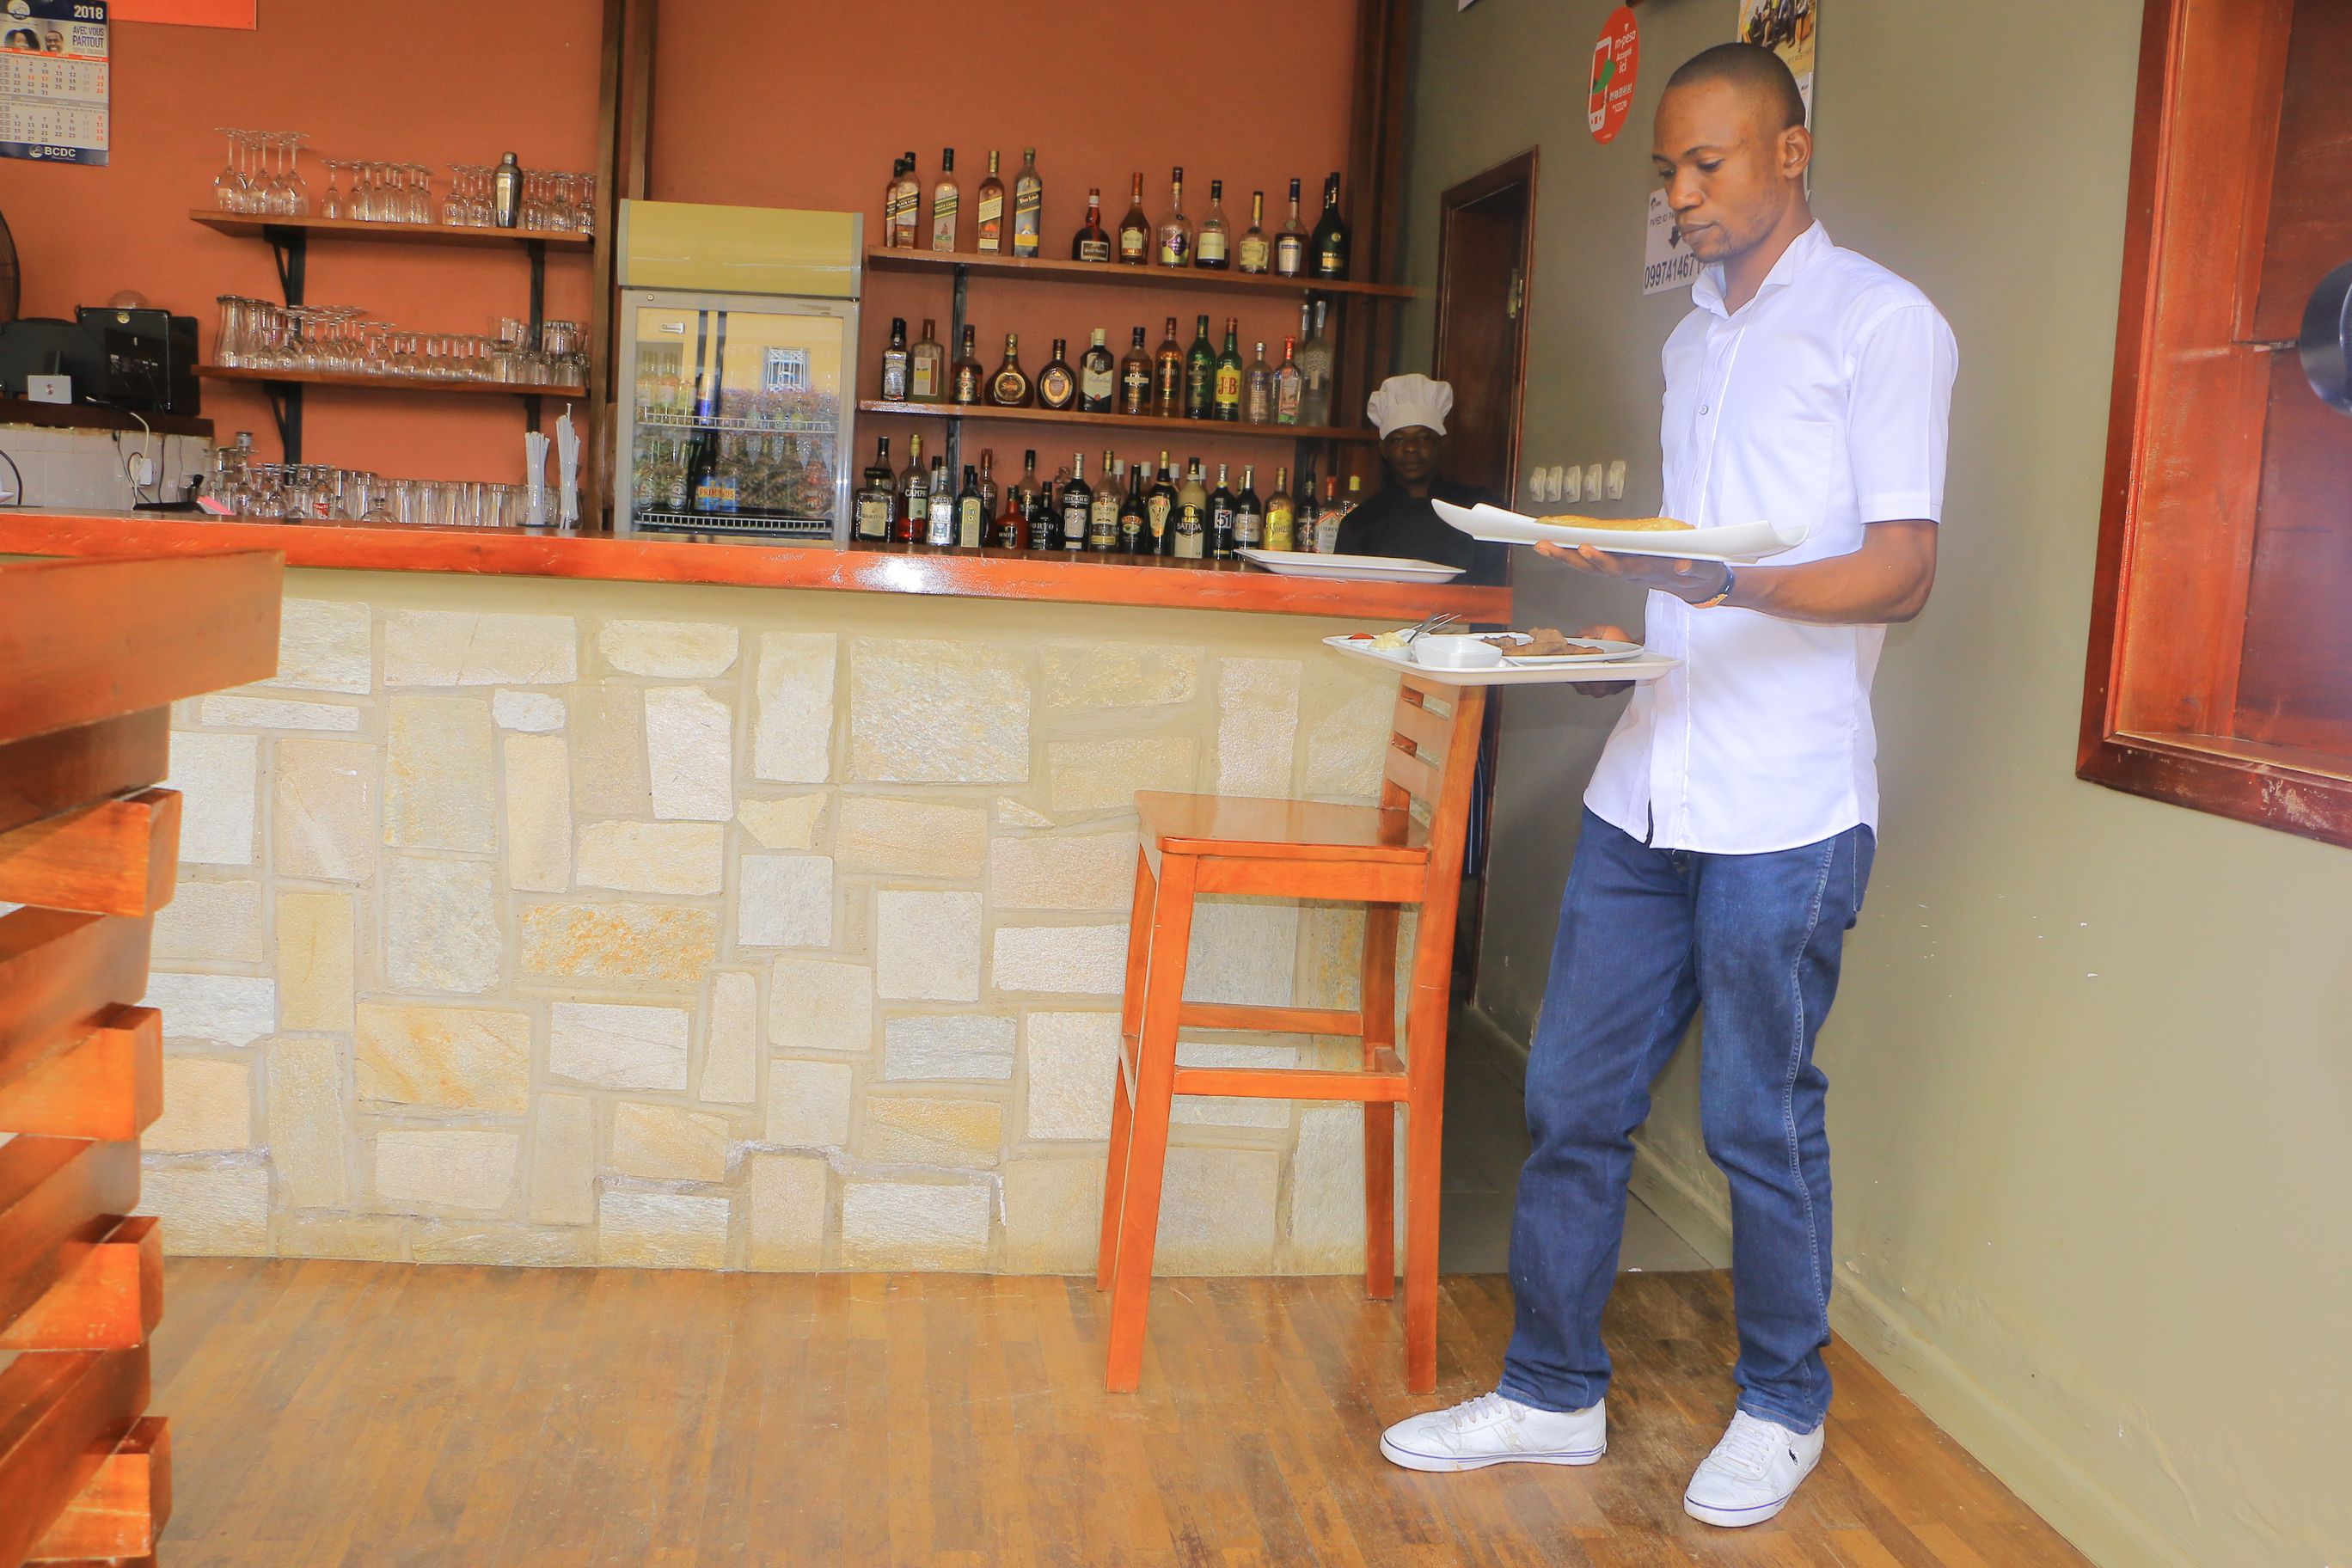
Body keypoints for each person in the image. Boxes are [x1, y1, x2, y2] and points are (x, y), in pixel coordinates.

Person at [1379, 41, 1957, 1529]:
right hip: (1647, 783)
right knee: (1571, 1100)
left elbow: (1902, 569)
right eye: (1666, 171)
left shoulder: (1882, 322)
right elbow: (1691, 563)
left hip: (1786, 805)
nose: (1681, 194)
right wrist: (1620, 641)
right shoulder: (1690, 342)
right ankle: (1551, 1389)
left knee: (1759, 1119)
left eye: (1706, 164)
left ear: (1789, 153)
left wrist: (1718, 584)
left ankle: (1783, 1404)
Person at [1334, 373, 1510, 585]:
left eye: (1424, 438)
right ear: (1383, 448)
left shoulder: (1478, 511)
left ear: (1442, 444)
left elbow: (1497, 589)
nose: (1411, 448)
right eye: (1398, 440)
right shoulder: (1360, 524)